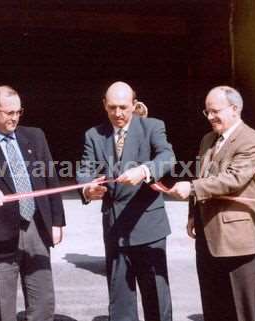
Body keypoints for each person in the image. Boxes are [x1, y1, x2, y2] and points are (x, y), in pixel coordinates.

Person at [0, 85, 65, 321]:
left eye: (18, 112)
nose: (14, 117)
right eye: (8, 112)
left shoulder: (35, 136)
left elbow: (51, 180)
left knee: (43, 301)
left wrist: (57, 221)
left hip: (36, 226)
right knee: (1, 302)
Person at [76, 81, 175, 321]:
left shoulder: (152, 127)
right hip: (115, 226)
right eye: (112, 108)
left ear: (134, 104)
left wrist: (144, 170)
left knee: (155, 294)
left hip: (148, 226)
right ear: (104, 106)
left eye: (123, 107)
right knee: (119, 296)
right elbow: (85, 169)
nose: (118, 114)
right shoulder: (94, 135)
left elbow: (167, 156)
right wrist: (88, 189)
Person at [168, 85, 255, 321]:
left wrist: (191, 188)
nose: (210, 117)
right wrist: (193, 216)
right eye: (207, 112)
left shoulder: (252, 140)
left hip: (235, 238)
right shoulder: (208, 139)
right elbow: (203, 175)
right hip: (206, 233)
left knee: (239, 309)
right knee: (213, 304)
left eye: (215, 111)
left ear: (234, 109)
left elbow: (233, 178)